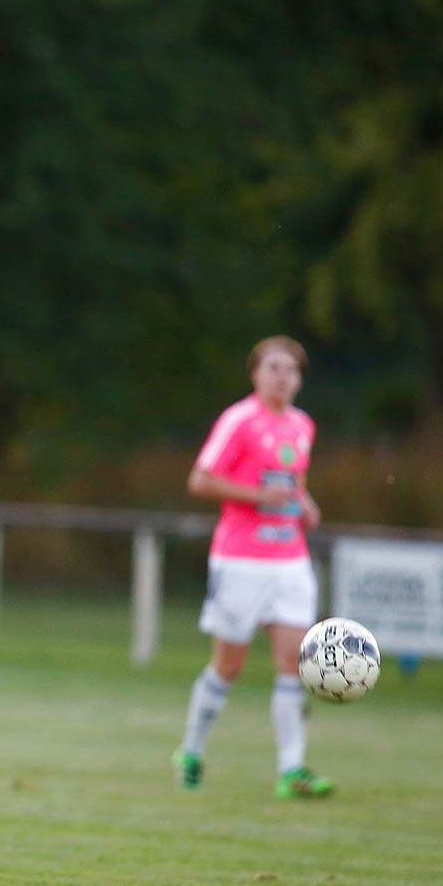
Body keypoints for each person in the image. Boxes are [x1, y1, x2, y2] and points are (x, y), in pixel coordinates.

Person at [173, 335, 331, 799]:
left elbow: (293, 482)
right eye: (274, 368)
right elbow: (200, 480)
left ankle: (291, 769)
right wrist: (260, 497)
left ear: (300, 379)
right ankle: (192, 749)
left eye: (291, 370)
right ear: (256, 374)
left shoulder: (302, 425)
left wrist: (306, 505)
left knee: (294, 662)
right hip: (240, 560)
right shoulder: (239, 420)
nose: (283, 377)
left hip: (290, 561)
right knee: (229, 666)